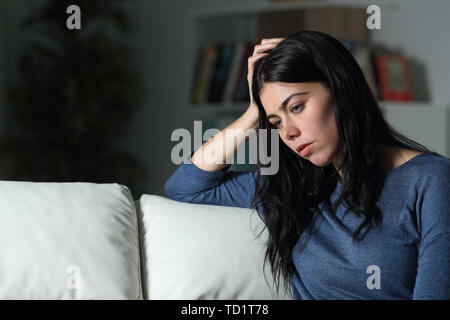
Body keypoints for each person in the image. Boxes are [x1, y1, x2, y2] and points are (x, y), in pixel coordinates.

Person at [164, 31, 450, 299]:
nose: (287, 132)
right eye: (275, 122)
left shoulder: (431, 180)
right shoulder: (293, 187)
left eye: (296, 107)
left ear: (341, 90)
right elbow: (187, 187)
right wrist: (253, 113)